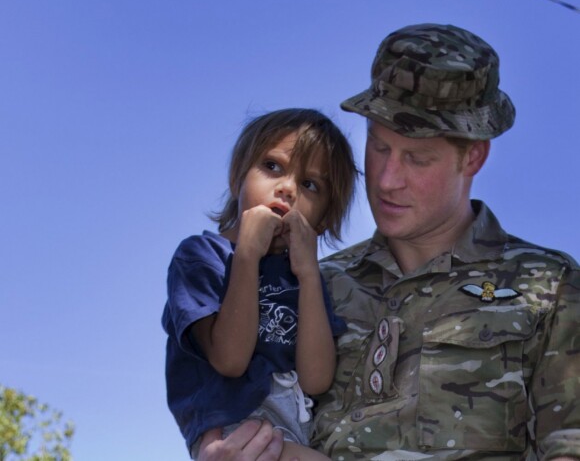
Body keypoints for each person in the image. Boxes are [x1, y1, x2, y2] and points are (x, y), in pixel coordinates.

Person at [197, 23, 580, 461]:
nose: (387, 180)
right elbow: (244, 412)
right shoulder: (310, 286)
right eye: (379, 147)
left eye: (417, 158)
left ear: (473, 156)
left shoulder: (550, 288)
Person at [162, 108, 358, 460]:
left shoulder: (306, 275)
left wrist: (310, 276)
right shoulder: (201, 256)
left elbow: (315, 380)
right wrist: (248, 256)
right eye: (272, 167)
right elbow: (230, 360)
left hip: (291, 431)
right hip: (235, 432)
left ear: (324, 220)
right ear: (238, 175)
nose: (287, 188)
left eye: (310, 185)